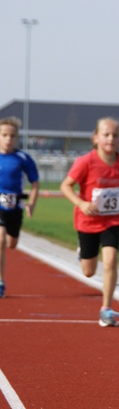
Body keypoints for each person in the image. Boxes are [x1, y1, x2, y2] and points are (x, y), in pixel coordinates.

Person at [61, 117, 119, 327]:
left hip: (112, 220)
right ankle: (82, 253)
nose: (111, 138)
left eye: (115, 135)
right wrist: (81, 203)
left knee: (111, 260)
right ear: (96, 138)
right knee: (89, 271)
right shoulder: (86, 161)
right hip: (87, 221)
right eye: (106, 134)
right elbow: (65, 186)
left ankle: (106, 308)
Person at [0, 117, 39, 298]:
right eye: (4, 135)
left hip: (15, 205)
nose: (8, 139)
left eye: (12, 136)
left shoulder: (22, 158)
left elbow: (35, 182)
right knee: (0, 239)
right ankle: (1, 281)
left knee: (11, 243)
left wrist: (31, 202)